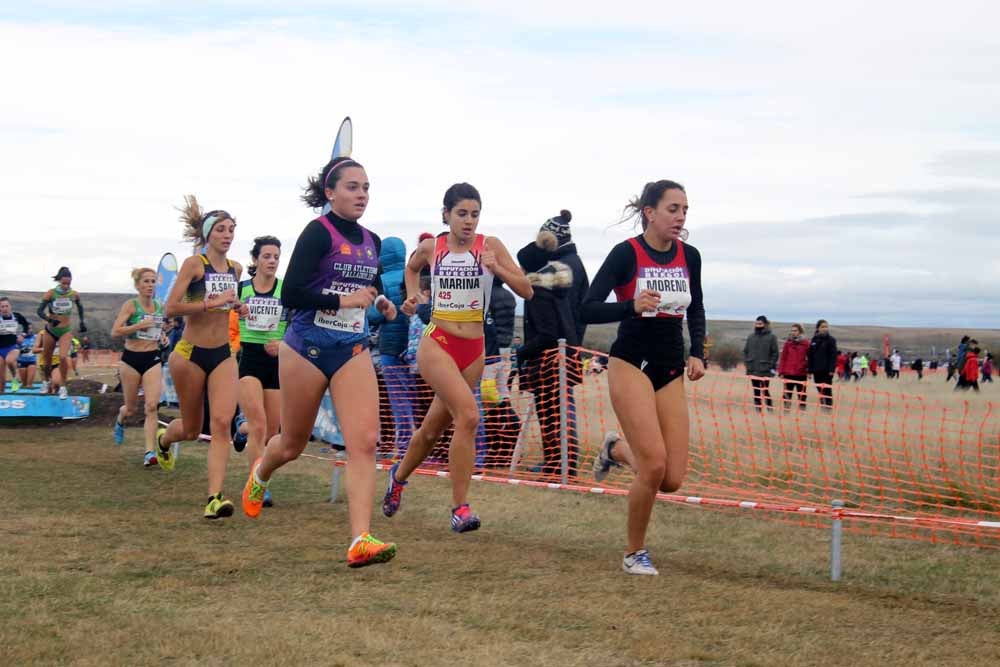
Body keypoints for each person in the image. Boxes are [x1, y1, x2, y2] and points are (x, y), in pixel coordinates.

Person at [241, 156, 398, 568]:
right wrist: (342, 300)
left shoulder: (371, 240)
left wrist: (384, 303)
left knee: (364, 441)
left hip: (352, 348)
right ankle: (260, 473)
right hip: (305, 347)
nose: (362, 194)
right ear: (330, 193)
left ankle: (360, 539)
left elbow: (371, 288)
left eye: (366, 187)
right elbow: (291, 294)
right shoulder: (317, 233)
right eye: (352, 186)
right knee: (291, 443)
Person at [383, 182, 533, 533]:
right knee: (468, 415)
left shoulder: (490, 246)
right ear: (446, 215)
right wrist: (413, 296)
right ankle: (460, 508)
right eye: (462, 214)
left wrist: (500, 269)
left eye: (475, 214)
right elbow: (411, 268)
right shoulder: (432, 247)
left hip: (474, 350)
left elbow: (526, 289)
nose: (469, 221)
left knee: (433, 430)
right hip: (438, 343)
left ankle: (398, 476)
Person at [582, 179, 706, 576]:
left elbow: (698, 306)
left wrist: (698, 351)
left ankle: (616, 449)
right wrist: (630, 306)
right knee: (651, 467)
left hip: (670, 365)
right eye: (673, 209)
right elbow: (586, 308)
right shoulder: (626, 254)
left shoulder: (691, 256)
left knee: (671, 479)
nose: (681, 216)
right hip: (631, 361)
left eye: (685, 209)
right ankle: (634, 553)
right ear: (650, 213)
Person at [158, 197, 248, 519]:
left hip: (223, 354)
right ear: (208, 234)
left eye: (232, 229)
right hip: (190, 355)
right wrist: (211, 304)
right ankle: (165, 437)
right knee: (193, 429)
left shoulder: (236, 269)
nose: (228, 235)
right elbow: (171, 308)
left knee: (222, 423)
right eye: (221, 229)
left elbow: (227, 304)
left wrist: (237, 306)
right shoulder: (194, 265)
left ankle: (214, 498)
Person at [517, 231, 583, 477]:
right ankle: (559, 462)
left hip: (549, 362)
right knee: (557, 413)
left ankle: (558, 464)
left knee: (551, 414)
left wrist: (522, 352)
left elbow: (546, 333)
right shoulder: (554, 288)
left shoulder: (537, 293)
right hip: (561, 359)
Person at [231, 236, 286, 507]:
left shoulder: (285, 290)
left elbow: (298, 325)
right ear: (256, 260)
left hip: (276, 363)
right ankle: (258, 485)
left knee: (271, 432)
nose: (272, 261)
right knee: (259, 424)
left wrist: (284, 343)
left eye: (276, 256)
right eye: (267, 256)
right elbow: (223, 322)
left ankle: (240, 430)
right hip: (250, 359)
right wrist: (235, 313)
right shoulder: (241, 290)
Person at [110, 268, 165, 467]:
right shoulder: (131, 306)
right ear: (138, 285)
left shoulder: (159, 306)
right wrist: (138, 326)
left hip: (152, 358)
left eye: (153, 281)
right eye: (146, 282)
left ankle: (150, 452)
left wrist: (162, 335)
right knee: (132, 408)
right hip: (131, 359)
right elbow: (115, 331)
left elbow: (157, 330)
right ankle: (120, 418)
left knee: (151, 406)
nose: (150, 285)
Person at [367, 236, 413, 456]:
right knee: (417, 396)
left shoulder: (382, 281)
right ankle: (423, 443)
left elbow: (375, 316)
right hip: (413, 345)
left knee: (398, 399)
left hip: (390, 347)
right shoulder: (410, 276)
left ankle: (404, 446)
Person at [36, 267, 87, 399]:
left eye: (68, 283)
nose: (66, 286)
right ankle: (46, 382)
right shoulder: (51, 293)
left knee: (63, 358)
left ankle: (63, 387)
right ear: (59, 281)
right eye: (63, 283)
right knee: (47, 360)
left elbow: (81, 308)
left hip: (65, 330)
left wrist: (82, 322)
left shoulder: (74, 294)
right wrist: (49, 320)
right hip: (51, 330)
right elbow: (39, 311)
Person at [744, 315, 778, 411]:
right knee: (756, 391)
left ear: (765, 324)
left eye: (760, 323)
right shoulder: (751, 337)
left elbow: (775, 353)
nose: (758, 325)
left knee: (765, 390)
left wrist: (770, 365)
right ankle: (758, 411)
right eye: (757, 323)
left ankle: (770, 409)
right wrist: (747, 363)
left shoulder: (771, 337)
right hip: (753, 368)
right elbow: (745, 351)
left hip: (765, 369)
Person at [0, 297, 31, 392]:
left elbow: (26, 325)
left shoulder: (16, 316)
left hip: (13, 346)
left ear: (10, 307)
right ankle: (2, 392)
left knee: (10, 361)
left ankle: (14, 378)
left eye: (6, 306)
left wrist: (22, 335)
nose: (5, 308)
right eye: (2, 306)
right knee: (1, 376)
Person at [777, 323, 809, 411]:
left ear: (800, 331)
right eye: (792, 330)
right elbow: (783, 358)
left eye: (795, 330)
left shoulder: (806, 343)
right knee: (787, 396)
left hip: (801, 374)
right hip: (788, 373)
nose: (793, 332)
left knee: (802, 396)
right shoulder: (788, 343)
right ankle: (786, 414)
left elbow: (810, 357)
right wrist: (781, 371)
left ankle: (802, 414)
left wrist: (807, 368)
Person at [807, 319, 837, 411]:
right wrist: (809, 371)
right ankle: (823, 408)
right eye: (823, 327)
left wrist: (832, 370)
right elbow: (810, 356)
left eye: (826, 326)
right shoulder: (814, 340)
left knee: (827, 391)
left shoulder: (831, 340)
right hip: (816, 370)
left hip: (827, 370)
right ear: (818, 328)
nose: (825, 328)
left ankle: (828, 409)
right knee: (820, 390)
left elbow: (833, 356)